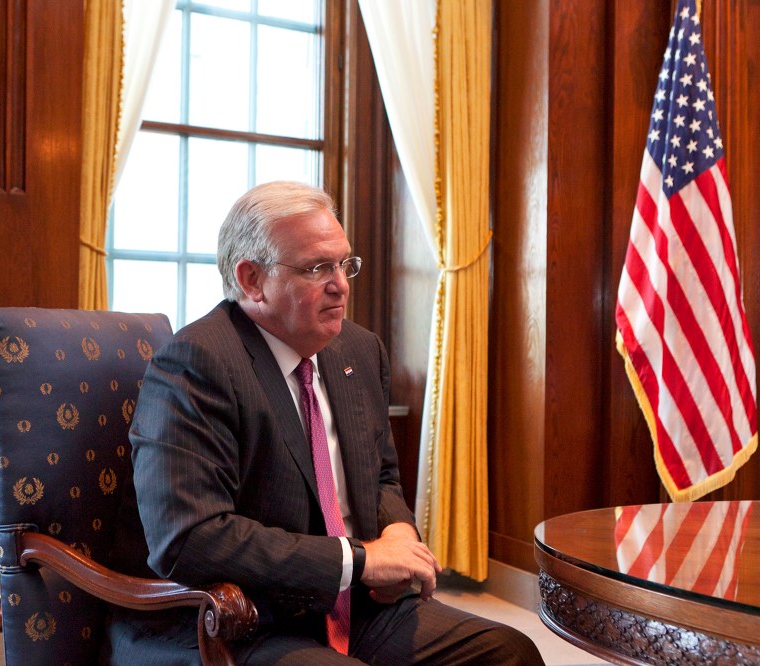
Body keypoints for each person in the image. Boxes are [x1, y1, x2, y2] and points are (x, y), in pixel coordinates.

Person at [106, 181, 544, 664]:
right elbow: (189, 539)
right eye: (318, 268)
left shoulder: (357, 350)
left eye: (344, 263)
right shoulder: (198, 364)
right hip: (236, 619)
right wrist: (360, 561)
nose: (341, 284)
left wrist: (397, 531)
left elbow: (380, 478)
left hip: (353, 607)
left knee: (508, 652)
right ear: (252, 280)